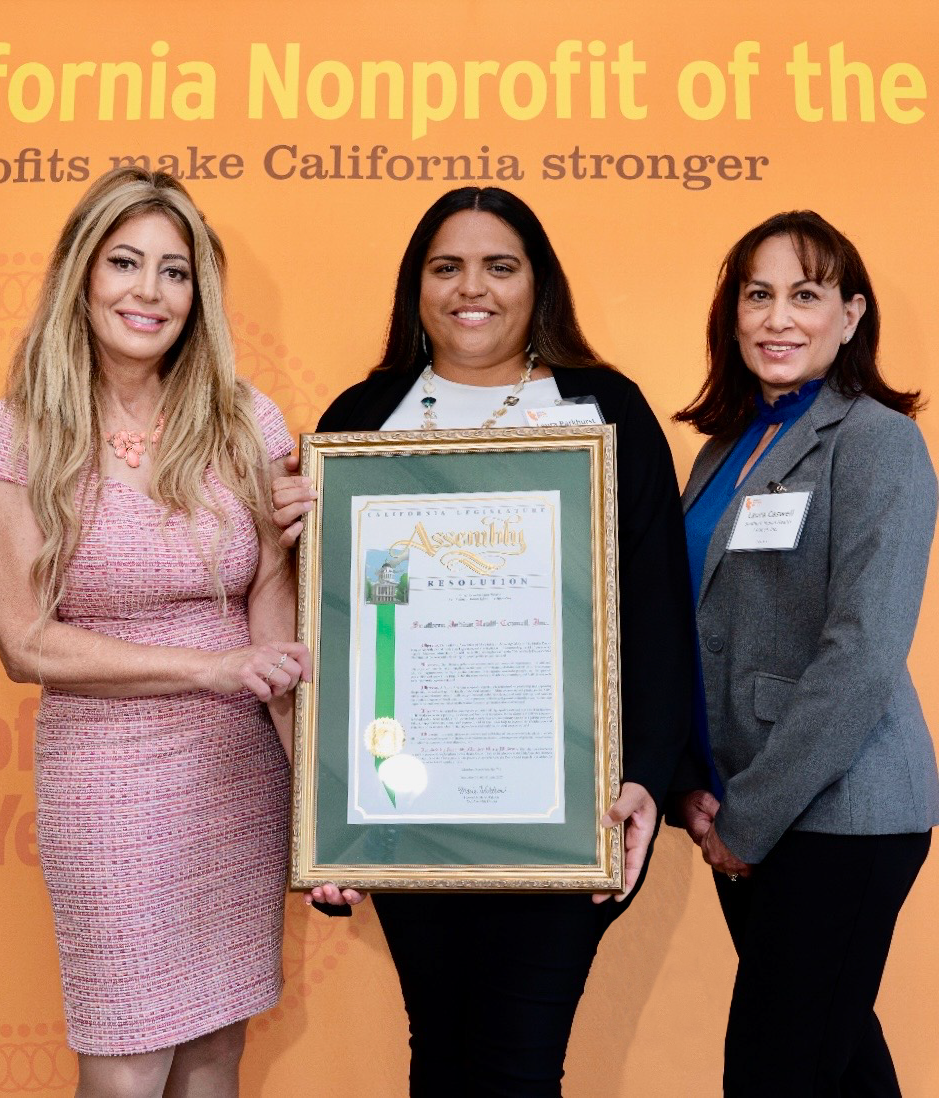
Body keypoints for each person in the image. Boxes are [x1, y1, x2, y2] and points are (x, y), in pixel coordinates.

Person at [273, 186, 694, 1096]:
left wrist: (645, 781)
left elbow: (658, 612)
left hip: (566, 811)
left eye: (500, 265)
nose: (475, 288)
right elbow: (326, 631)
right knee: (443, 1054)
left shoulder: (603, 408)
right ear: (415, 288)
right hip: (406, 810)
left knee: (517, 1066)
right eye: (447, 266)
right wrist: (289, 542)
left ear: (536, 283)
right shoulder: (360, 417)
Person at [0, 167, 310, 1098]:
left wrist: (321, 804)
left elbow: (272, 615)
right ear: (81, 274)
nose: (148, 293)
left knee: (214, 1053)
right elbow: (25, 641)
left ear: (200, 296)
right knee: (124, 1064)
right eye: (124, 263)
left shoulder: (245, 417)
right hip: (109, 778)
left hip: (238, 777)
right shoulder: (17, 435)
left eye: (175, 272)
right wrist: (209, 669)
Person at [672, 210, 939, 1096]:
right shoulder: (725, 448)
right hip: (742, 807)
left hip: (839, 816)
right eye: (759, 295)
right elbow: (695, 626)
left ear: (851, 315)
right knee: (841, 1066)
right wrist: (692, 787)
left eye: (806, 294)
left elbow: (861, 655)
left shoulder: (877, 442)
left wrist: (746, 821)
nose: (777, 318)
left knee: (773, 1073)